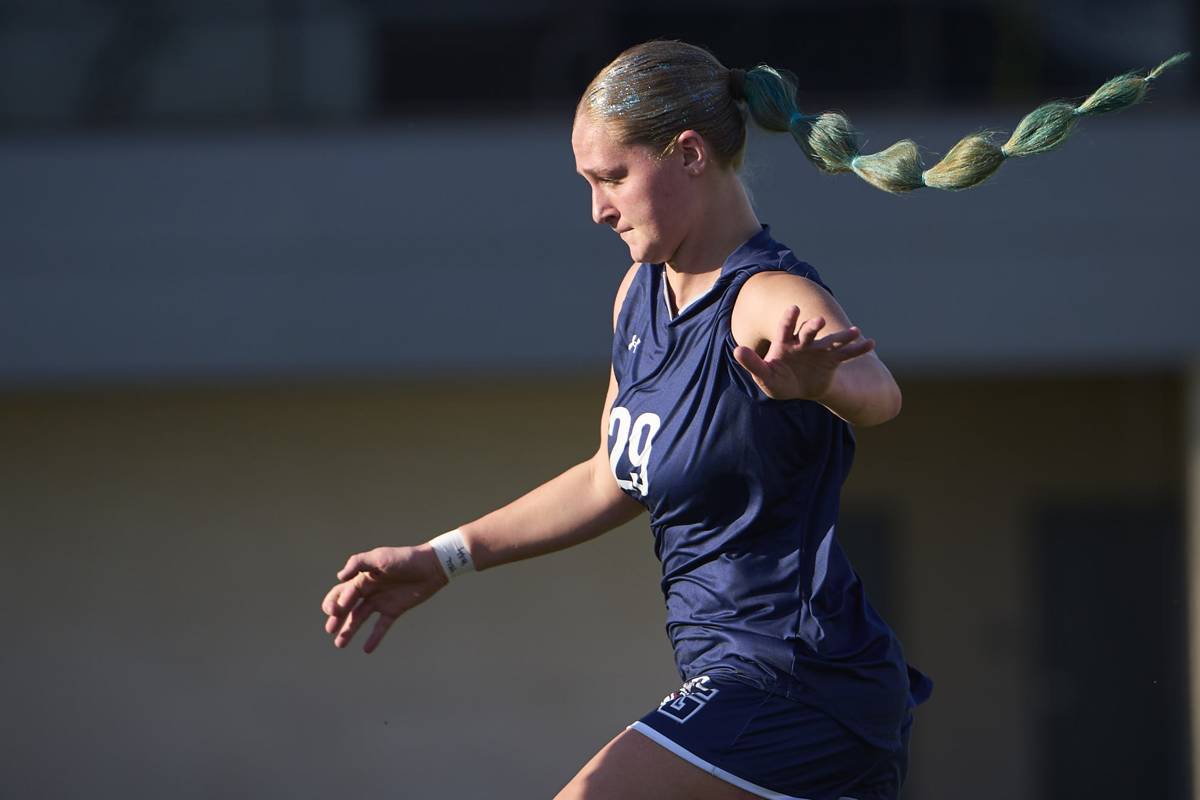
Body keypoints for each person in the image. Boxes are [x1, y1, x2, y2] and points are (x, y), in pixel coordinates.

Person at [321, 41, 1188, 800]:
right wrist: (443, 558)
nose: (598, 209)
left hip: (794, 686)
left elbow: (880, 393)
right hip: (776, 692)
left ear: (690, 153)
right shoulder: (638, 298)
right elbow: (609, 474)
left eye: (612, 178)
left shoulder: (766, 298)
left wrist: (824, 387)